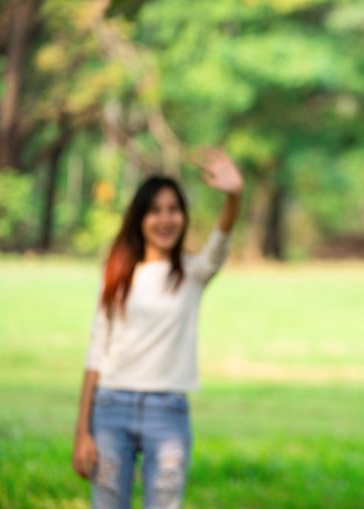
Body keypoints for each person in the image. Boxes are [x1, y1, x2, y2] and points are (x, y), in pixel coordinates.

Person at [71, 148, 244, 508]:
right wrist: (81, 431)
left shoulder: (192, 273)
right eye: (155, 210)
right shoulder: (117, 274)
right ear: (139, 218)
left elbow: (220, 242)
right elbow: (96, 351)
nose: (165, 219)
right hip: (111, 406)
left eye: (173, 209)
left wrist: (233, 196)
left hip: (167, 413)